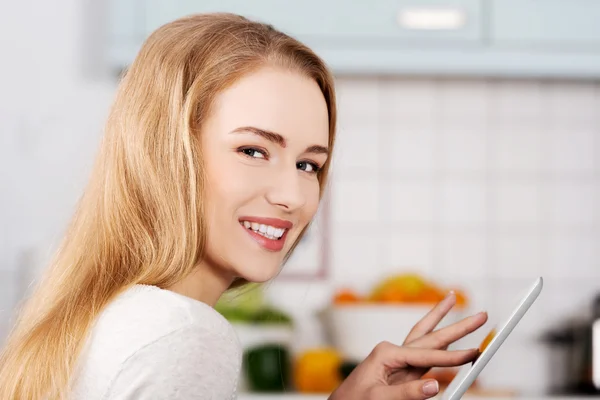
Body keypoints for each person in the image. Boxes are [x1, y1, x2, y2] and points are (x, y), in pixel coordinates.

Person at [0, 12, 487, 400]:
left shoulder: (100, 317)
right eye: (254, 151)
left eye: (308, 165)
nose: (294, 197)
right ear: (166, 153)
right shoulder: (184, 335)